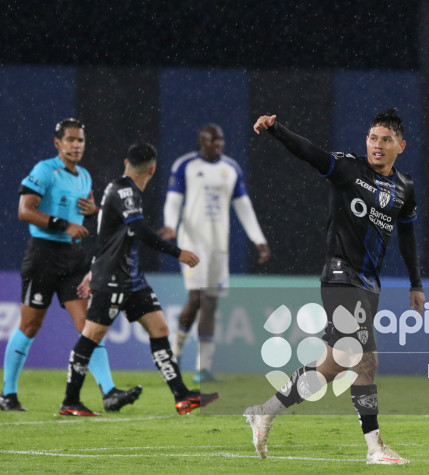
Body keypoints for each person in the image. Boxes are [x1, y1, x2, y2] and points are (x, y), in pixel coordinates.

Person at [245, 108, 424, 465]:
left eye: (385, 140)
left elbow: (407, 235)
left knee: (336, 362)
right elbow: (311, 153)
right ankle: (375, 447)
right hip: (341, 275)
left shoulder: (405, 187)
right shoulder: (348, 169)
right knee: (366, 360)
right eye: (373, 138)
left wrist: (415, 282)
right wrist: (277, 129)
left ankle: (265, 411)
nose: (377, 145)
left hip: (369, 283)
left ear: (400, 146)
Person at [60, 142, 219, 416]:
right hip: (112, 278)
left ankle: (182, 396)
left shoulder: (120, 190)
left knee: (159, 329)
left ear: (126, 162)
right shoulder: (125, 192)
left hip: (131, 279)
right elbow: (138, 229)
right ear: (153, 169)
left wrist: (92, 268)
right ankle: (70, 401)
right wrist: (176, 252)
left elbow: (108, 236)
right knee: (92, 335)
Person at [1, 118, 140, 413]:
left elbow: (88, 215)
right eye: (71, 140)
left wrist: (94, 211)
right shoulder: (44, 170)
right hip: (43, 257)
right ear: (58, 142)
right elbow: (25, 210)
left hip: (74, 260)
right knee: (30, 324)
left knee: (91, 325)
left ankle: (109, 392)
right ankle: (8, 395)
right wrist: (63, 225)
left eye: (81, 141)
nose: (76, 145)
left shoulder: (85, 177)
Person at [159, 124, 270, 383]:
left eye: (220, 139)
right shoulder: (185, 165)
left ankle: (203, 367)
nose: (217, 144)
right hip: (192, 243)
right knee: (195, 298)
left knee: (210, 303)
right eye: (212, 140)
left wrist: (259, 240)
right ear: (201, 141)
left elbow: (244, 207)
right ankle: (174, 355)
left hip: (219, 246)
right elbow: (174, 199)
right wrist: (169, 225)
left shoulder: (230, 169)